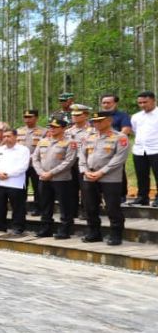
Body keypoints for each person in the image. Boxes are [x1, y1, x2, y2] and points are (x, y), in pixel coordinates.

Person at [80, 110, 130, 245]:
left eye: (100, 120)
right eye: (94, 121)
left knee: (112, 207)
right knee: (90, 206)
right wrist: (84, 171)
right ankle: (94, 232)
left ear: (109, 121)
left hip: (110, 178)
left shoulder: (120, 137)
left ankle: (116, 234)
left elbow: (119, 159)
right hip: (89, 176)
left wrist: (101, 172)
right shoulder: (89, 137)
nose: (96, 123)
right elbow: (82, 156)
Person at [32, 116, 78, 239]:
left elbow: (69, 161)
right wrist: (40, 172)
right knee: (45, 204)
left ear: (63, 128)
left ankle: (65, 229)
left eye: (55, 127)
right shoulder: (43, 141)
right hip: (43, 178)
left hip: (61, 179)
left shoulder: (70, 142)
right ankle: (46, 228)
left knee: (64, 205)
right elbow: (35, 158)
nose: (52, 129)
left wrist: (51, 173)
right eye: (50, 127)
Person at [0, 129, 30, 234]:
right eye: (5, 136)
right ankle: (0, 226)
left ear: (16, 137)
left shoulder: (23, 150)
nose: (6, 138)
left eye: (9, 136)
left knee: (17, 207)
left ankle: (18, 227)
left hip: (15, 183)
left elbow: (23, 166)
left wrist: (8, 174)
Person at [130, 91, 158, 206]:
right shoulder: (136, 116)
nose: (142, 105)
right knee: (141, 175)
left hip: (156, 149)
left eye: (145, 102)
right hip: (139, 150)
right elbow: (135, 131)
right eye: (140, 103)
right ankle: (142, 197)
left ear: (153, 100)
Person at [16, 110, 46, 215]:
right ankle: (21, 208)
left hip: (36, 164)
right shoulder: (19, 131)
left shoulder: (44, 131)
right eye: (25, 117)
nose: (27, 119)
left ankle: (38, 208)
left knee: (37, 187)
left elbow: (44, 147)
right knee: (21, 187)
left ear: (36, 118)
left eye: (30, 117)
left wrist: (32, 157)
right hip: (21, 165)